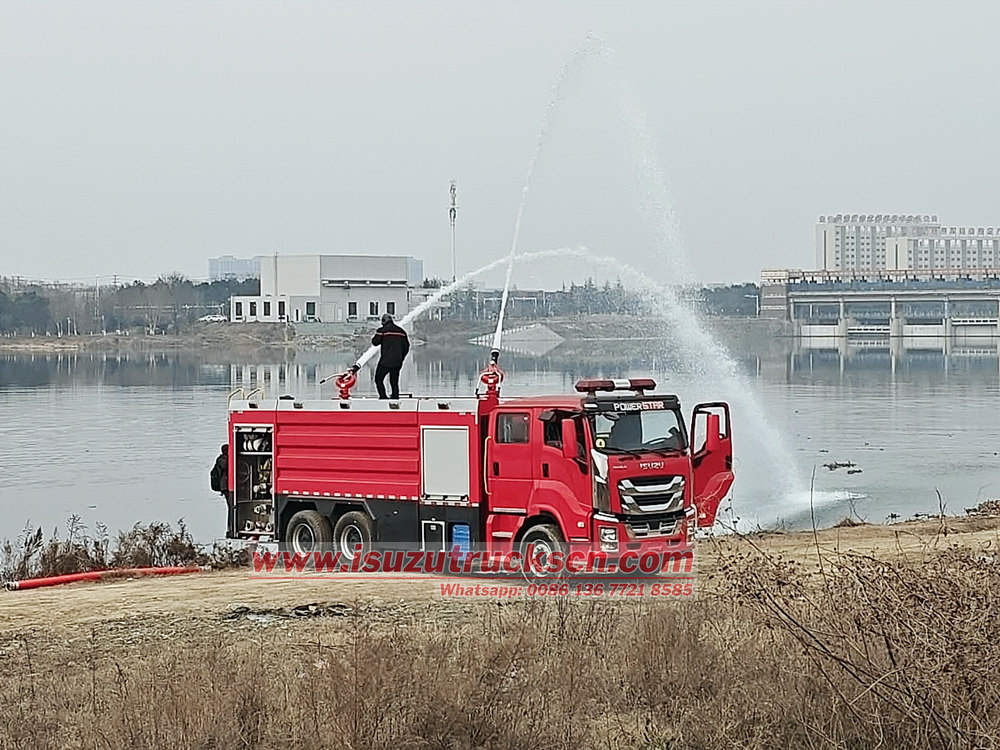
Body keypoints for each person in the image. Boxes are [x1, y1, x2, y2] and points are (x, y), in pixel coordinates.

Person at [371, 313, 410, 399]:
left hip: (385, 361)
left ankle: (383, 397)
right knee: (394, 381)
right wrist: (401, 357)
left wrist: (377, 333)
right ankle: (395, 398)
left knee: (378, 379)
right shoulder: (401, 332)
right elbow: (406, 347)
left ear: (384, 321)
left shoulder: (382, 331)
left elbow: (375, 342)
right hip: (397, 361)